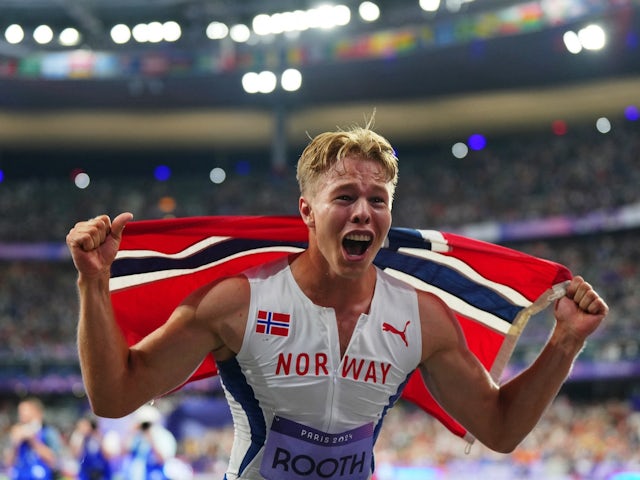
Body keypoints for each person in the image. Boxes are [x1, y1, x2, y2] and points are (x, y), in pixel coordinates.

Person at [66, 124, 608, 480]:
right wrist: (93, 284)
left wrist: (564, 342)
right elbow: (114, 397)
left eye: (378, 200)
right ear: (307, 211)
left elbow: (501, 428)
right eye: (344, 197)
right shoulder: (238, 302)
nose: (362, 213)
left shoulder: (421, 317)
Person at [6, 397, 62, 480]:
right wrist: (15, 442)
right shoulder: (17, 432)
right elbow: (8, 462)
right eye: (20, 411)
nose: (21, 414)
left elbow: (54, 461)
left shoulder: (49, 432)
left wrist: (33, 440)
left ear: (37, 412)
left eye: (24, 410)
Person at [120, 405, 177, 480]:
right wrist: (131, 432)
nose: (145, 426)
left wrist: (152, 439)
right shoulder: (136, 435)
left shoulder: (164, 436)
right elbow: (122, 452)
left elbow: (163, 459)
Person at [69, 415, 113, 480]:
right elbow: (75, 455)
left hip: (102, 473)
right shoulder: (79, 436)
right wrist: (82, 436)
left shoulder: (104, 435)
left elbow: (108, 456)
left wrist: (98, 437)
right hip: (86, 473)